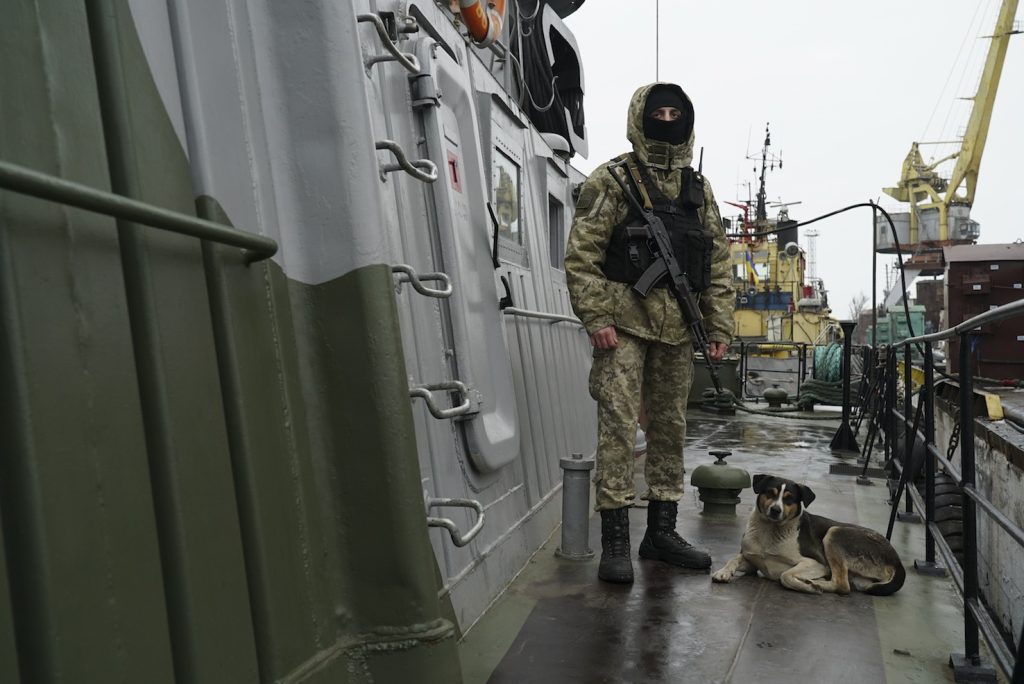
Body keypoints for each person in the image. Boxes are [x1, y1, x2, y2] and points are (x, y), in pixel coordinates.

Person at [564, 83, 734, 584]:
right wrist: (596, 317)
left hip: (678, 328)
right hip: (624, 325)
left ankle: (661, 532)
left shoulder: (698, 190)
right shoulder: (614, 179)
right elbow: (582, 255)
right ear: (641, 117)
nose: (666, 121)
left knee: (670, 428)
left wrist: (718, 324)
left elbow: (717, 264)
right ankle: (615, 540)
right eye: (658, 113)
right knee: (618, 428)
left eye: (675, 114)